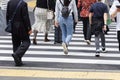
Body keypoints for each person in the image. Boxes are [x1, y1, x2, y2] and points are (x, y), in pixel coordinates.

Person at [6, 0, 32, 66]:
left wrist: (9, 25)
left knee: (15, 43)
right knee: (26, 41)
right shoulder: (23, 3)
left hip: (13, 25)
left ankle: (17, 61)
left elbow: (7, 15)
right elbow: (25, 17)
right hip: (21, 26)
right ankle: (17, 54)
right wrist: (29, 28)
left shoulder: (9, 2)